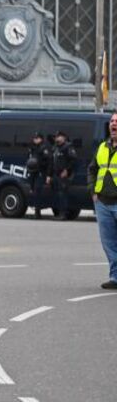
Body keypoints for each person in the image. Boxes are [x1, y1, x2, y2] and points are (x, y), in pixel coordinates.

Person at [87, 113, 117, 290]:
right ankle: (115, 277)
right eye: (112, 122)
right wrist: (93, 191)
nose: (113, 124)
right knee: (109, 244)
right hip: (103, 203)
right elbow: (92, 169)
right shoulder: (102, 147)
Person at [50, 130, 77, 220]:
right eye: (56, 136)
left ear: (64, 138)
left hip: (64, 175)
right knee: (57, 194)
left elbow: (73, 160)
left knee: (62, 194)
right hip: (56, 174)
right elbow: (52, 162)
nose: (57, 138)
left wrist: (66, 170)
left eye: (59, 136)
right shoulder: (56, 148)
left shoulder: (68, 147)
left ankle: (63, 214)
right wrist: (49, 175)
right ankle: (58, 213)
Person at [25, 132, 52, 219]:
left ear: (41, 138)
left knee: (37, 190)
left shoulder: (44, 148)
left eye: (37, 138)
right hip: (32, 172)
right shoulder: (32, 147)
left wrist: (48, 175)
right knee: (32, 190)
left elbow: (49, 162)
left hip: (41, 172)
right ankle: (35, 210)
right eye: (34, 138)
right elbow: (29, 158)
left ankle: (37, 212)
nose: (35, 140)